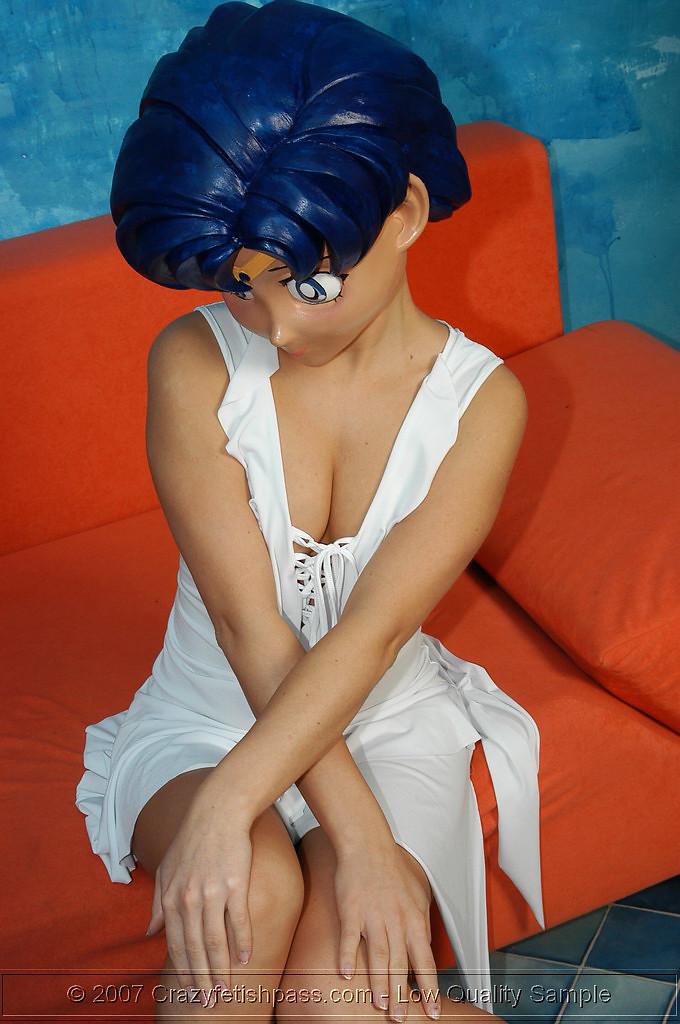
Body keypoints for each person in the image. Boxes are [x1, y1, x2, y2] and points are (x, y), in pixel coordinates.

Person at [75, 2, 545, 1019]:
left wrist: (364, 840)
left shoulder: (482, 405)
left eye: (310, 284)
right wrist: (230, 803)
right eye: (242, 287)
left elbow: (371, 634)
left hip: (384, 718)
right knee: (245, 892)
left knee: (338, 1002)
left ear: (405, 212)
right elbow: (248, 625)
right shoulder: (194, 362)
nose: (278, 327)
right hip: (209, 713)